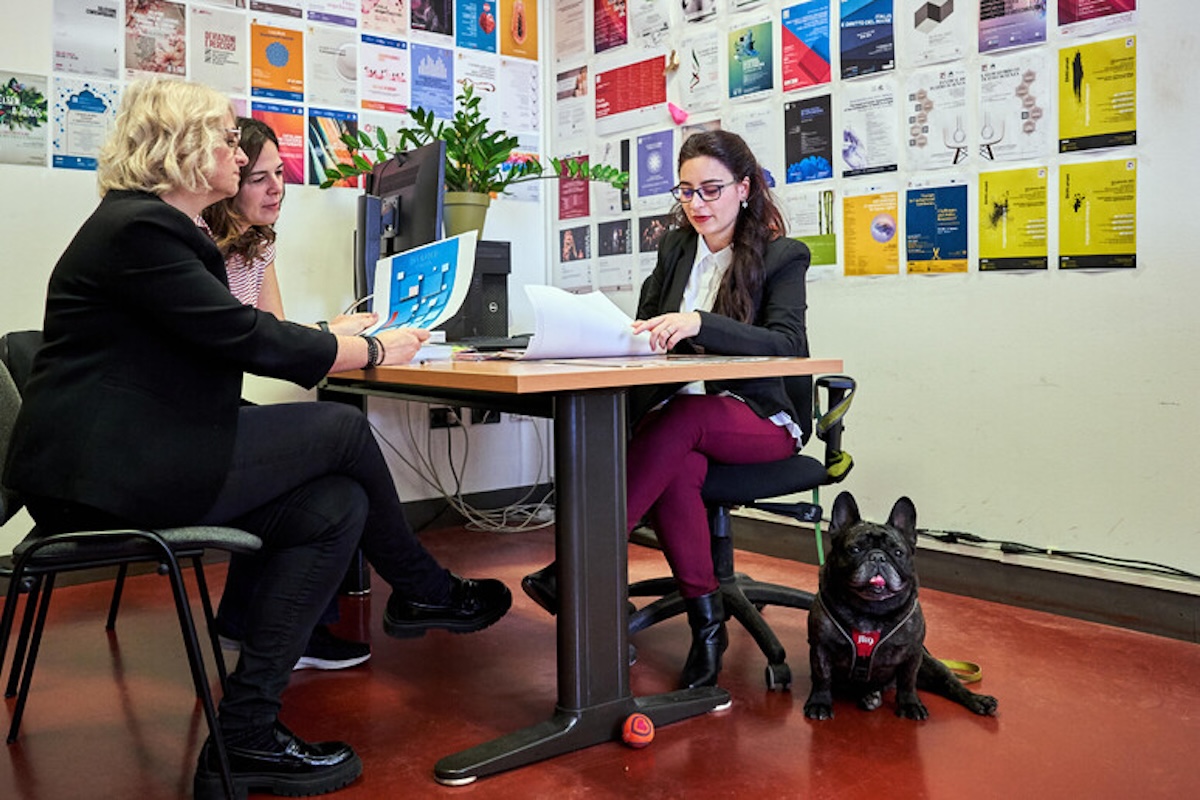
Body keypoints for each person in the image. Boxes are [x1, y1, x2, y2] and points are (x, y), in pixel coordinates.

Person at [2, 79, 511, 799]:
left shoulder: (154, 228)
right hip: (103, 481)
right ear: (179, 151)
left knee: (333, 505)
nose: (235, 156)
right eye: (220, 139)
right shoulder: (140, 229)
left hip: (132, 461)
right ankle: (424, 590)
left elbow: (228, 341)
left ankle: (244, 736)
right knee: (339, 426)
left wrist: (344, 341)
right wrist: (372, 350)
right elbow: (245, 339)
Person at [521, 130, 811, 690]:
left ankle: (577, 567)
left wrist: (702, 322)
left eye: (711, 190)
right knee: (677, 460)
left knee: (678, 421)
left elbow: (786, 345)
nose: (698, 204)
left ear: (744, 188)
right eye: (686, 192)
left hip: (761, 419)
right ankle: (708, 626)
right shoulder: (676, 248)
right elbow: (647, 323)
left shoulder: (782, 255)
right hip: (684, 416)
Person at [201, 117, 377, 672]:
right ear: (227, 181)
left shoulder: (258, 243)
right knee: (324, 453)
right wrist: (343, 343)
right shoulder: (200, 246)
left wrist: (330, 331)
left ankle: (252, 622)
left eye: (281, 173)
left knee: (318, 470)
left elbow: (272, 327)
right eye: (258, 177)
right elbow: (249, 343)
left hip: (213, 407)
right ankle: (415, 583)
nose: (277, 188)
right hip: (194, 416)